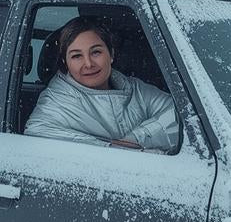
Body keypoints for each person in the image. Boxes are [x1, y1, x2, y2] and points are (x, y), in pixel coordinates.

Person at [24, 17, 180, 153]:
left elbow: (183, 114)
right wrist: (115, 149)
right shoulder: (55, 103)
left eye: (96, 52)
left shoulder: (134, 89)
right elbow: (38, 137)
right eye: (77, 56)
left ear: (111, 54)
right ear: (66, 62)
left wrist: (136, 139)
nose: (88, 63)